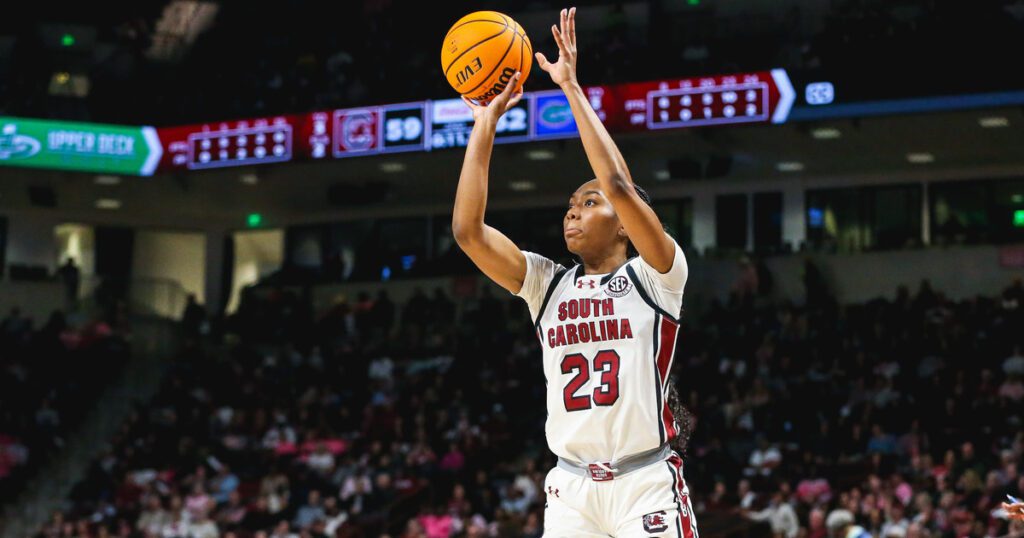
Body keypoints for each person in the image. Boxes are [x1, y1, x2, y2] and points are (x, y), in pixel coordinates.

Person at [452, 8, 694, 536]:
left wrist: (570, 87)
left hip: (644, 481)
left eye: (588, 202)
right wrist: (484, 126)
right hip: (570, 490)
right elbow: (469, 232)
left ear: (627, 226)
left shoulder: (657, 276)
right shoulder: (548, 284)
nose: (573, 211)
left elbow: (618, 185)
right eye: (570, 205)